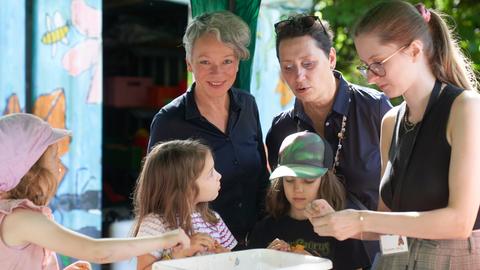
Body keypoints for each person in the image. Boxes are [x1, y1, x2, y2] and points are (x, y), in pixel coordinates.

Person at [305, 1, 480, 269]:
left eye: (378, 63)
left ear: (414, 50)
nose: (371, 77)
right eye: (366, 66)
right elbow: (391, 225)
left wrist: (362, 220)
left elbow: (459, 222)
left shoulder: (465, 107)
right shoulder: (390, 120)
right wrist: (340, 222)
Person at [266, 13, 391, 259]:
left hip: (378, 255)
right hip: (308, 258)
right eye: (288, 67)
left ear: (331, 58)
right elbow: (279, 204)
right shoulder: (281, 129)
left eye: (308, 64)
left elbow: (404, 194)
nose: (299, 76)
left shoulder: (376, 110)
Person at [0, 113, 190, 270]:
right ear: (30, 170)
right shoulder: (20, 219)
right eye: (54, 158)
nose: (60, 166)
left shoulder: (15, 217)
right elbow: (98, 252)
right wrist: (165, 239)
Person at [147, 10, 269, 247]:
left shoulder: (248, 105)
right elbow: (156, 199)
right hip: (202, 252)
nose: (217, 72)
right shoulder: (169, 121)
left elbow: (261, 178)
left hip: (257, 243)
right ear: (189, 63)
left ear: (238, 62)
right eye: (205, 62)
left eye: (227, 61)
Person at [248, 131, 371, 269]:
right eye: (289, 180)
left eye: (308, 181)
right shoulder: (264, 230)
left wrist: (317, 266)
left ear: (324, 180)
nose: (298, 189)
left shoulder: (341, 229)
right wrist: (265, 262)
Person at [133, 139, 237, 270]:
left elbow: (235, 262)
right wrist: (180, 254)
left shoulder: (213, 219)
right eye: (210, 173)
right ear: (186, 187)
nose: (219, 175)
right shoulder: (155, 224)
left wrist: (227, 257)